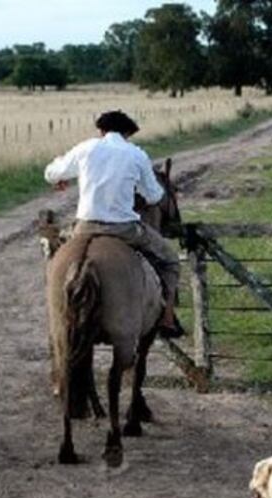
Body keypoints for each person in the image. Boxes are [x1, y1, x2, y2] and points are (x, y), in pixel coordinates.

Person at [44, 110, 184, 339]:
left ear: (101, 130)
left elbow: (51, 173)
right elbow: (154, 196)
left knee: (56, 255)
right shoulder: (136, 154)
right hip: (124, 229)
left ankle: (58, 311)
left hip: (84, 227)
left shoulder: (86, 148)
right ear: (127, 133)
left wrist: (61, 177)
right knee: (169, 260)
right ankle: (167, 316)